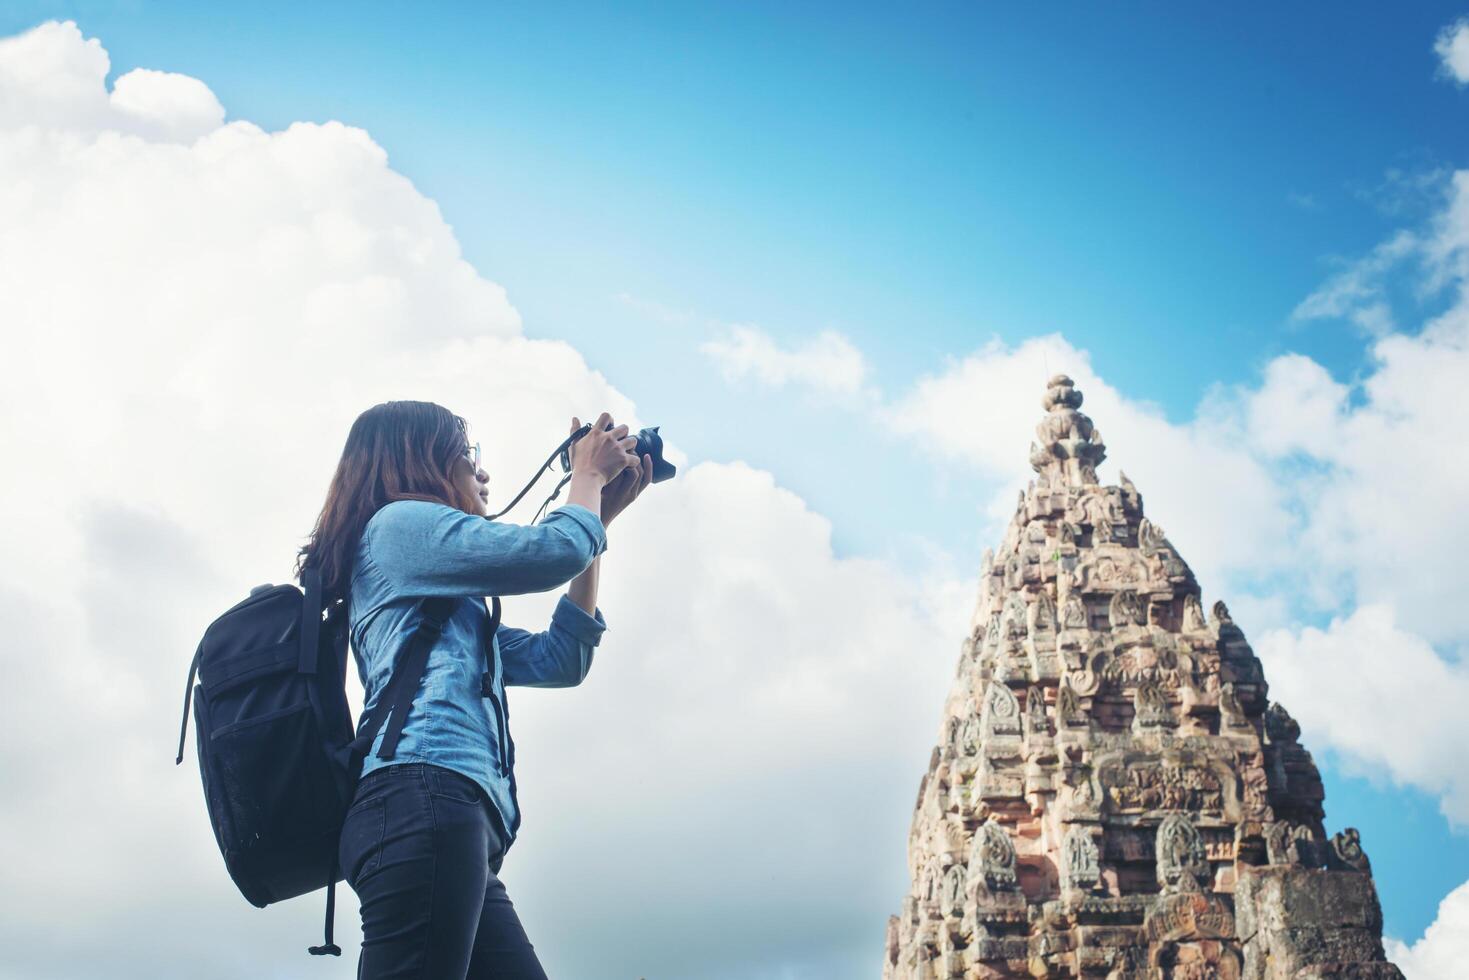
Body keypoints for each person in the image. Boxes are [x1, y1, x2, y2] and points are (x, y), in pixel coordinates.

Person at [295, 400, 651, 979]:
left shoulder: (444, 604)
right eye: (467, 456)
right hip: (424, 800)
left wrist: (598, 525)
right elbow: (553, 553)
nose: (482, 472)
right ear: (420, 461)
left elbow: (559, 660)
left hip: (446, 818)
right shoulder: (399, 525)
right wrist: (585, 480)